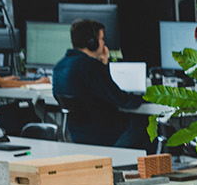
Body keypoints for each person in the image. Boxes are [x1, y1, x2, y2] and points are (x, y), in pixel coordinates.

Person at [53, 18, 147, 148]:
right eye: (102, 39)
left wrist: (103, 64)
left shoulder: (59, 67)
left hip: (79, 137)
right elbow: (121, 100)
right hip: (108, 136)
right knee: (146, 123)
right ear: (92, 42)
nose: (103, 43)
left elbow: (103, 91)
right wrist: (148, 97)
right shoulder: (90, 67)